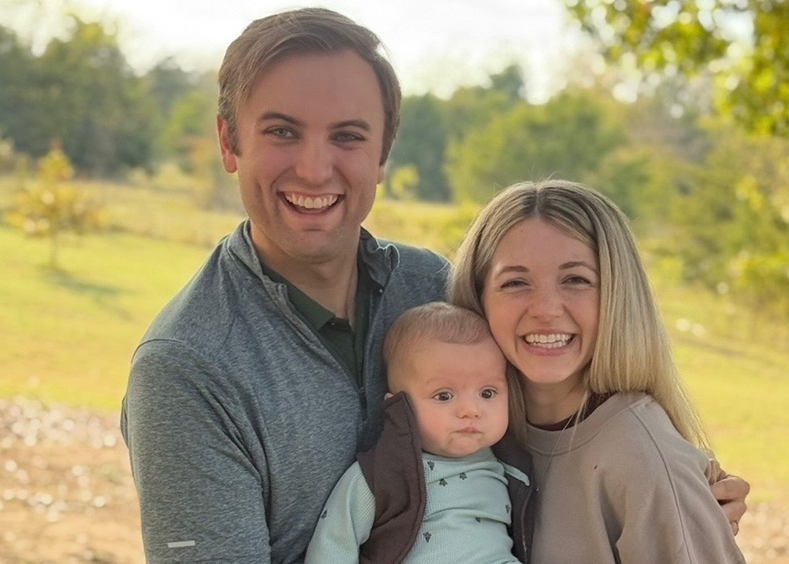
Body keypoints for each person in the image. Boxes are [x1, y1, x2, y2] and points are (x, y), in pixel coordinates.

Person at [120, 7, 748, 564]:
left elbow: (548, 423)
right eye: (282, 131)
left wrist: (670, 502)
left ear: (383, 154)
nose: (314, 167)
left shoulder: (436, 288)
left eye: (348, 135)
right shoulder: (186, 369)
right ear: (230, 141)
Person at [450, 179, 747, 563]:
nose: (545, 308)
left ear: (617, 293)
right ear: (478, 298)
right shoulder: (467, 429)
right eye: (515, 282)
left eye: (576, 280)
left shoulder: (642, 460)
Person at [304, 302, 529, 563]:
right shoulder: (382, 474)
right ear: (399, 408)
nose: (471, 410)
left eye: (487, 393)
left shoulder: (510, 464)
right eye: (444, 395)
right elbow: (333, 544)